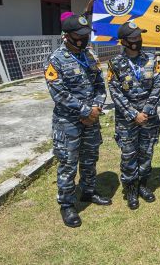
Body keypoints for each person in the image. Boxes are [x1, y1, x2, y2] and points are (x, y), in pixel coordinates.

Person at [43, 13, 111, 228]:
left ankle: (88, 191)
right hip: (68, 123)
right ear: (67, 36)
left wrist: (97, 108)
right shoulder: (56, 59)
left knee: (90, 159)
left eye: (86, 34)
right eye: (79, 35)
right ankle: (67, 204)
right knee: (68, 164)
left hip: (91, 119)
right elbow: (59, 93)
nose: (84, 39)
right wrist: (85, 112)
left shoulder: (89, 55)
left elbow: (100, 85)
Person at [108, 21, 160, 210]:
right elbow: (115, 92)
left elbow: (157, 86)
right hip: (127, 120)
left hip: (149, 118)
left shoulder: (152, 59)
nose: (137, 41)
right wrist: (133, 114)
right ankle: (131, 189)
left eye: (139, 37)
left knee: (147, 153)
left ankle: (143, 185)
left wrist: (145, 111)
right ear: (123, 42)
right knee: (129, 155)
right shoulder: (114, 64)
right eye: (133, 38)